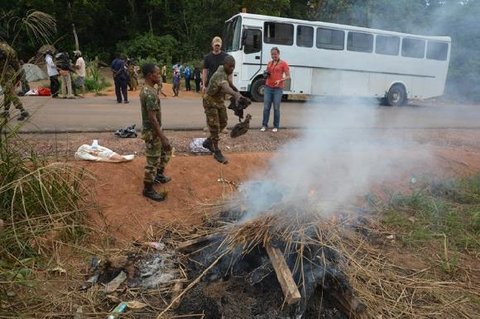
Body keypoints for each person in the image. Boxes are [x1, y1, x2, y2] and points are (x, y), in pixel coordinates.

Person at [139, 63, 172, 201]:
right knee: (152, 160)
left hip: (155, 130)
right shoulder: (150, 93)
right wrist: (162, 137)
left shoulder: (149, 89)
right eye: (156, 73)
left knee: (166, 152)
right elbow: (152, 118)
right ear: (149, 75)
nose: (159, 75)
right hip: (152, 132)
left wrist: (159, 84)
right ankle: (148, 189)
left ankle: (158, 175)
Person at [202, 55, 242, 164]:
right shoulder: (219, 74)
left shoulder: (225, 72)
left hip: (219, 101)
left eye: (233, 67)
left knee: (223, 122)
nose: (232, 69)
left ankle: (208, 142)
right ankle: (216, 151)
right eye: (230, 67)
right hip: (210, 101)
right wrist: (235, 95)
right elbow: (225, 87)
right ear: (225, 65)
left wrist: (238, 93)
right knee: (215, 126)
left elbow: (229, 84)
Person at [260, 47, 290, 133]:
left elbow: (288, 76)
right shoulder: (270, 63)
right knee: (266, 107)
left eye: (275, 54)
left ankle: (276, 126)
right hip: (268, 87)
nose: (274, 56)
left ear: (278, 54)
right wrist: (265, 74)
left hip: (278, 89)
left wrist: (280, 80)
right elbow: (267, 72)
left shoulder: (283, 64)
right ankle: (264, 125)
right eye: (272, 54)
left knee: (276, 107)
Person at [0, 42, 29, 121]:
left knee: (10, 91)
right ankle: (6, 111)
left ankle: (22, 110)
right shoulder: (8, 48)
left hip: (4, 73)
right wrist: (18, 74)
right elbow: (15, 62)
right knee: (7, 92)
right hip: (11, 71)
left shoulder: (3, 48)